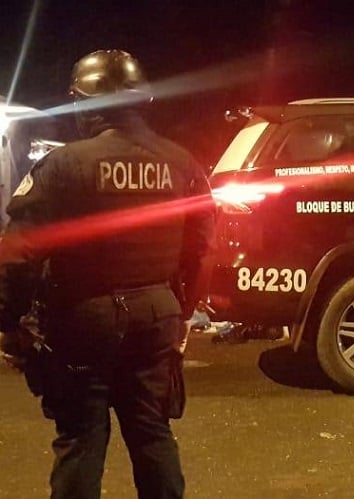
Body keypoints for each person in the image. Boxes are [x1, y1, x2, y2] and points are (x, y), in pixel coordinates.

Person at [0, 49, 216, 498]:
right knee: (152, 434)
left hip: (83, 321)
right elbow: (201, 251)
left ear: (83, 105)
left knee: (81, 441)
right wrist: (182, 316)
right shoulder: (181, 163)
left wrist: (10, 327)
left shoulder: (62, 166)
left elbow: (17, 257)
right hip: (157, 317)